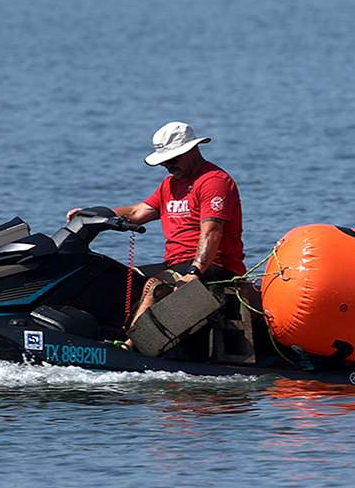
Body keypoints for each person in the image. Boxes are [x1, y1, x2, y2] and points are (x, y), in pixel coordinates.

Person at [68, 121, 245, 333]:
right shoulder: (169, 185)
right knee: (118, 276)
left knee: (154, 284)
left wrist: (195, 271)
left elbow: (212, 232)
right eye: (164, 161)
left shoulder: (214, 181)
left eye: (173, 159)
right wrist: (91, 214)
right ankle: (107, 333)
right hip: (175, 263)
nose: (168, 165)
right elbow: (136, 213)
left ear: (192, 150)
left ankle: (131, 346)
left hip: (213, 267)